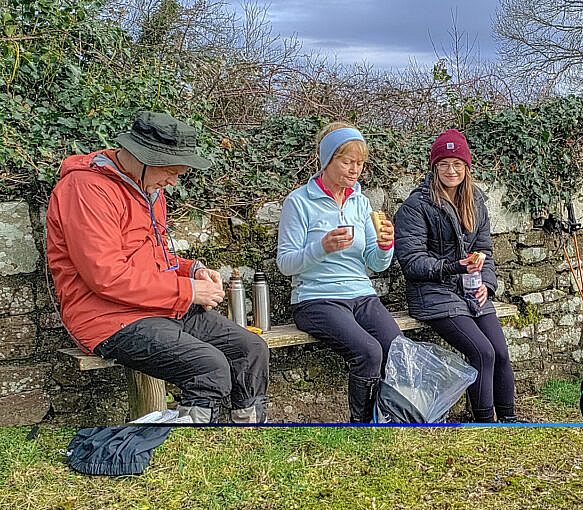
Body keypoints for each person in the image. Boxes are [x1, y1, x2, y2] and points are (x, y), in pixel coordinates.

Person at [46, 111, 269, 424]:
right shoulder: (85, 190)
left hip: (158, 307)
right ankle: (185, 449)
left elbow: (154, 258)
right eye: (171, 170)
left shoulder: (150, 189)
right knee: (209, 366)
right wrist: (189, 291)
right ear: (142, 157)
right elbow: (106, 275)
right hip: (107, 318)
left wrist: (191, 271)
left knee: (251, 349)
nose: (174, 181)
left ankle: (249, 432)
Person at [393, 129, 519, 423]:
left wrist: (486, 285)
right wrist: (454, 266)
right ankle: (484, 422)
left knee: (500, 352)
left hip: (471, 291)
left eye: (457, 164)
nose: (451, 170)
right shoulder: (415, 207)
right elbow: (412, 262)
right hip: (434, 294)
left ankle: (511, 421)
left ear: (466, 168)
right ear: (434, 168)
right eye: (444, 164)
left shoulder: (475, 202)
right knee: (483, 352)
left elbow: (484, 249)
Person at [276, 122, 399, 423]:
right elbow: (286, 263)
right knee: (369, 352)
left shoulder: (361, 202)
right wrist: (322, 247)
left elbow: (376, 263)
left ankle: (389, 418)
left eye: (360, 163)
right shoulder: (299, 202)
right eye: (347, 161)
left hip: (361, 294)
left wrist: (386, 246)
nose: (355, 169)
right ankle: (362, 426)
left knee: (396, 347)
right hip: (317, 299)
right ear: (327, 160)